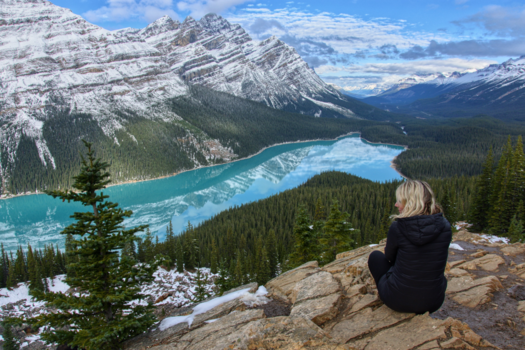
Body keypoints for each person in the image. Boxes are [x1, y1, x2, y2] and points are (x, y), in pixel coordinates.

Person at [367, 180, 452, 314]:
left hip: (397, 301)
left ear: (411, 203)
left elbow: (389, 257)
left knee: (375, 257)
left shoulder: (398, 227)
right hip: (433, 302)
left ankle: (395, 293)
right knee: (439, 276)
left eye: (400, 201)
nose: (396, 204)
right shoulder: (445, 226)